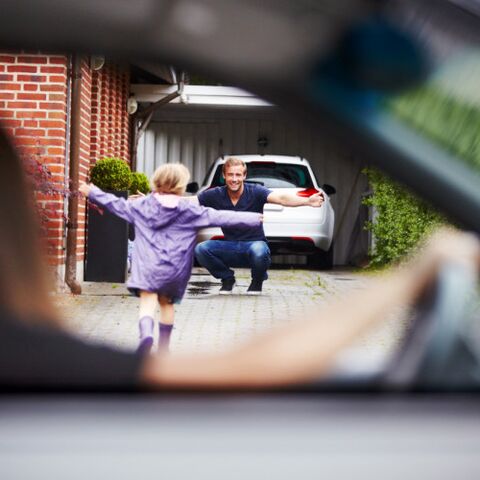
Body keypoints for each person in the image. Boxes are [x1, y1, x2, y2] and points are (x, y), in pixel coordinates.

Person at [1, 132, 479, 391]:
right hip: (181, 266)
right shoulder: (199, 201)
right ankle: (160, 342)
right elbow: (251, 365)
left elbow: (117, 203)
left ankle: (165, 329)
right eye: (229, 170)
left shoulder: (155, 202)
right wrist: (407, 280)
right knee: (178, 289)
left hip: (154, 266)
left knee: (167, 290)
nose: (233, 175)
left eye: (236, 170)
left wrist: (89, 191)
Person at [79, 163, 262, 353]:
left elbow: (116, 205)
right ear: (181, 186)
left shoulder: (141, 206)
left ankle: (147, 335)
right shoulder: (189, 211)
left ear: (156, 182)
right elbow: (221, 217)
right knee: (167, 305)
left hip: (148, 267)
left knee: (147, 302)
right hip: (174, 270)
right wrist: (253, 218)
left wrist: (92, 192)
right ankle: (164, 348)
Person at [194, 157, 325, 295]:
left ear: (244, 175)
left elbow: (281, 199)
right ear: (224, 176)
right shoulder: (216, 194)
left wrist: (307, 201)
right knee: (201, 249)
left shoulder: (256, 191)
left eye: (238, 175)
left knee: (259, 250)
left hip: (254, 247)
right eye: (230, 174)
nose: (234, 179)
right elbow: (193, 201)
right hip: (230, 247)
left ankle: (257, 281)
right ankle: (227, 278)